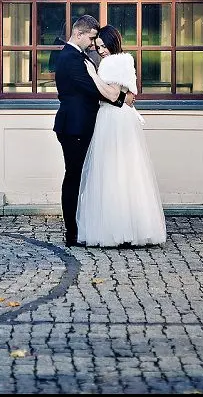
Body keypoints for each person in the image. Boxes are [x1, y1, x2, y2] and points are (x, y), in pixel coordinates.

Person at [77, 25, 167, 247]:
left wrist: (91, 75)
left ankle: (114, 229)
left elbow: (111, 94)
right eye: (98, 47)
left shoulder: (111, 63)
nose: (102, 51)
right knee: (128, 171)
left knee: (111, 171)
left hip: (112, 118)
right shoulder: (125, 61)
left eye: (104, 46)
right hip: (123, 119)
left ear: (113, 43)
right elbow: (126, 95)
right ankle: (133, 226)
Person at [52, 15, 134, 247]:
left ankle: (81, 227)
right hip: (74, 127)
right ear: (79, 34)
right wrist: (122, 99)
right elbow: (91, 88)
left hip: (80, 125)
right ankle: (72, 233)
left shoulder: (78, 57)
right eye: (90, 38)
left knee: (81, 177)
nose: (93, 43)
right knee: (74, 178)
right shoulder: (69, 58)